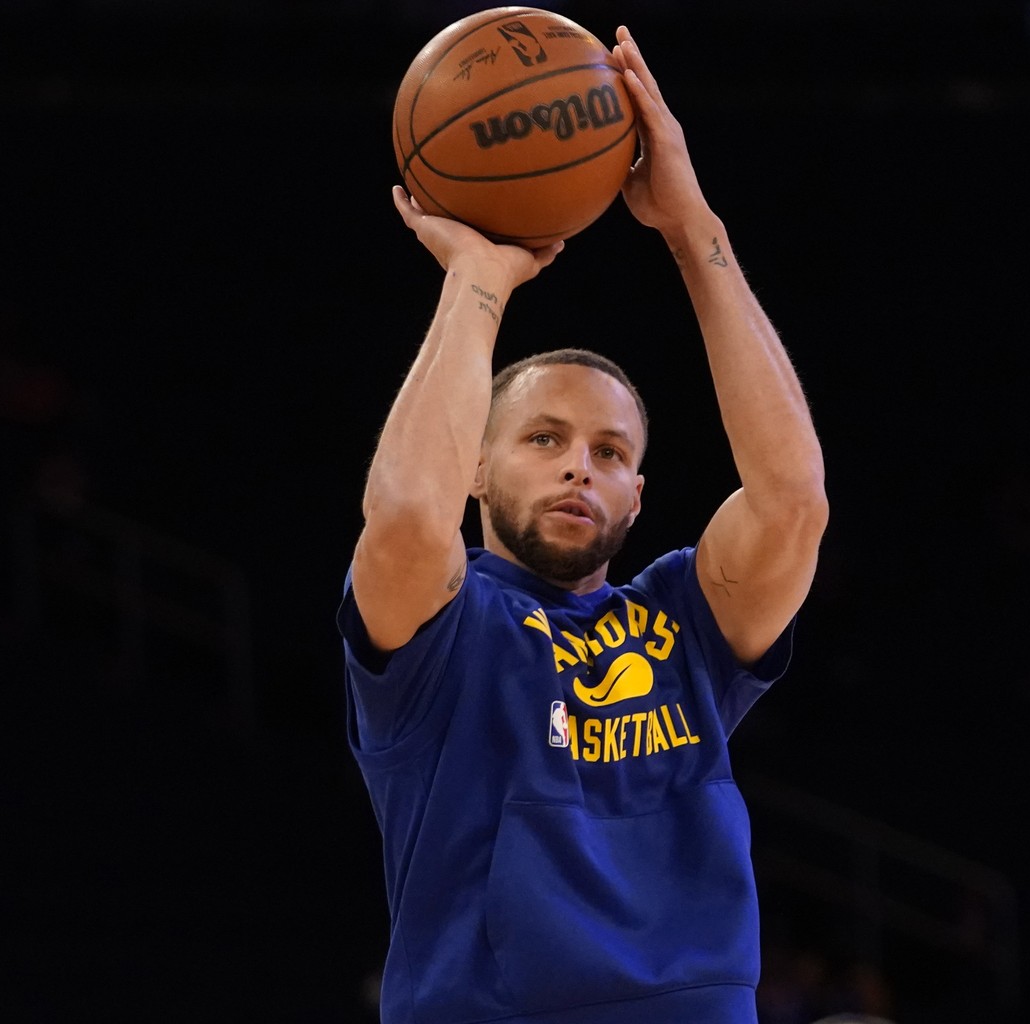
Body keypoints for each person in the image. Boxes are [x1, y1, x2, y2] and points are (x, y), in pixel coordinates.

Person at [338, 24, 829, 1024]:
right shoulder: (444, 629)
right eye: (543, 439)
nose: (579, 464)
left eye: (610, 453)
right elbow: (400, 516)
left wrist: (692, 229)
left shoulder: (685, 621)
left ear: (638, 496)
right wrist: (478, 280)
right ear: (473, 465)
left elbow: (793, 501)